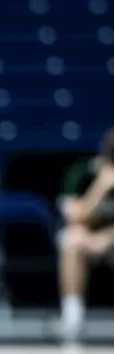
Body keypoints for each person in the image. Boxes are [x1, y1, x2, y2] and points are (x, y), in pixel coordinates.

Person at [56, 127, 115, 342]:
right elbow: (75, 216)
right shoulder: (81, 172)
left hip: (109, 238)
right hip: (88, 240)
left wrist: (109, 236)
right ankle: (73, 317)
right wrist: (100, 187)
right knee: (71, 240)